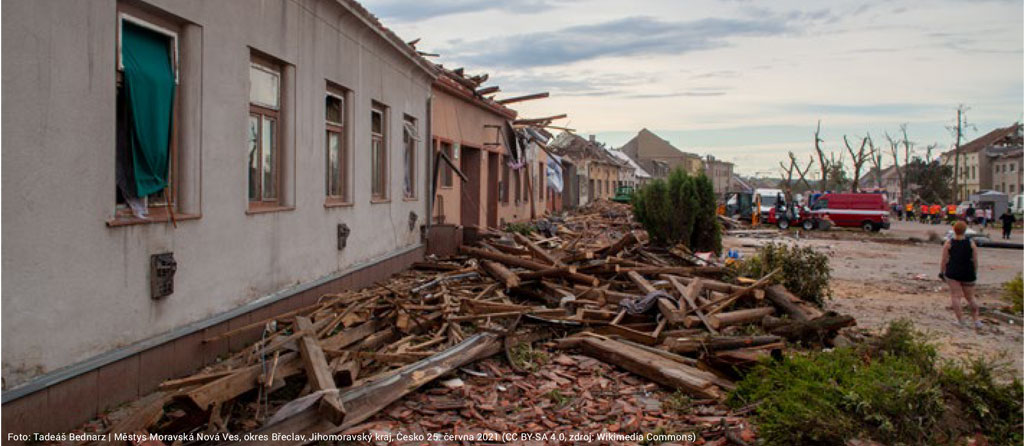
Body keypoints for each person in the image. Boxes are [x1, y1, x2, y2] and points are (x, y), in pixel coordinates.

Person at [941, 221, 980, 329]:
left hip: (953, 271)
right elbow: (975, 259)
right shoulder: (971, 243)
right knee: (971, 297)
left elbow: (944, 259)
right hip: (968, 272)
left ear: (954, 230)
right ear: (965, 230)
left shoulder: (949, 243)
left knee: (956, 296)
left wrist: (942, 271)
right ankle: (976, 320)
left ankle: (960, 320)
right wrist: (975, 271)